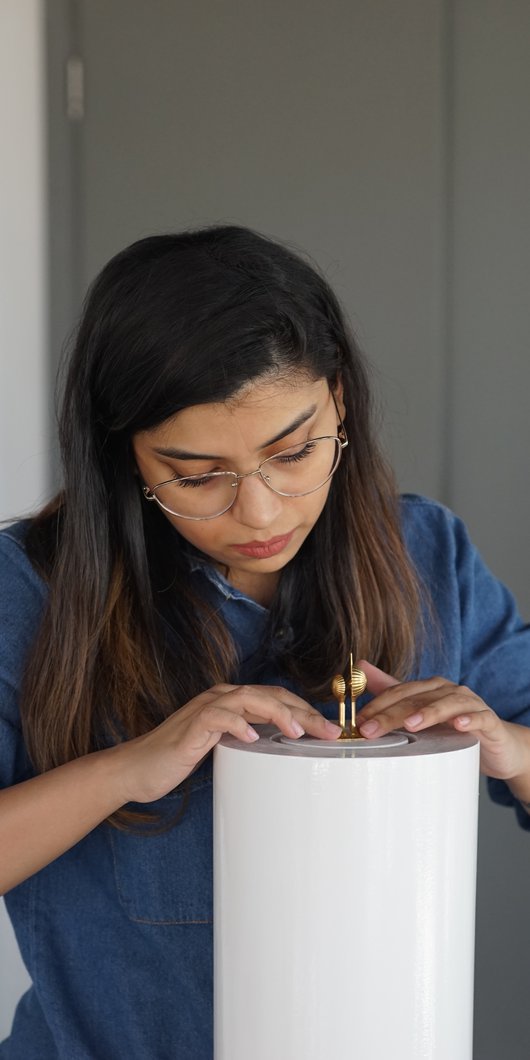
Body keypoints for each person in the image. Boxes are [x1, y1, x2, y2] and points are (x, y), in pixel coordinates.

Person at [1, 225, 530, 1059]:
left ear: (341, 403)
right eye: (197, 474)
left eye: (292, 452)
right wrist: (129, 768)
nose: (261, 512)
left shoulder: (430, 554)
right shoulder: (27, 594)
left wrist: (512, 751)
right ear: (125, 459)